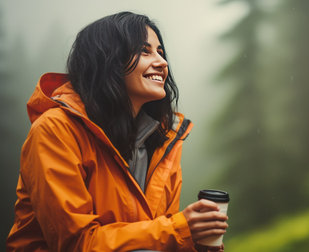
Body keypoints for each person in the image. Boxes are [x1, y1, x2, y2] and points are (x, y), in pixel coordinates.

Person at [7, 11, 228, 252]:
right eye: (145, 51)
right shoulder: (55, 131)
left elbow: (151, 240)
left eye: (160, 53)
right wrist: (179, 230)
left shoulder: (163, 142)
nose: (162, 63)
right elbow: (76, 243)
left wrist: (191, 243)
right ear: (108, 60)